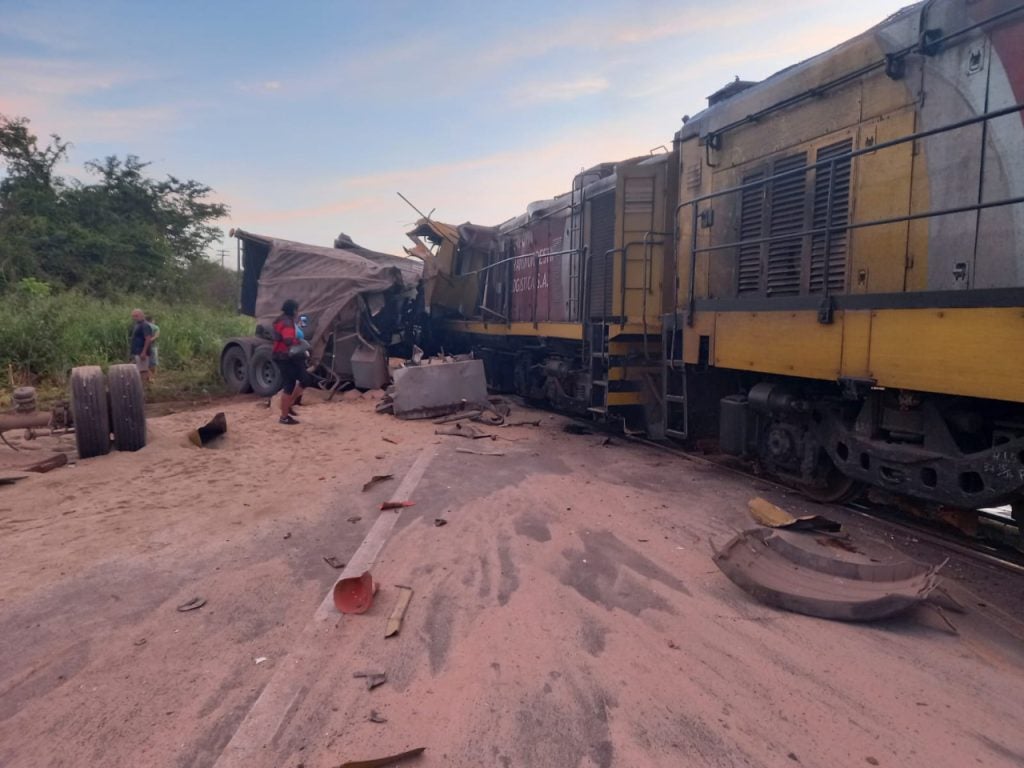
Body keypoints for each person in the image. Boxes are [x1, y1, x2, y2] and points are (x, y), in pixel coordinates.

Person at [272, 299, 309, 425]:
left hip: (286, 356)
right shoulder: (287, 322)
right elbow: (288, 340)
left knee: (304, 379)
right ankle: (284, 417)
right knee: (289, 384)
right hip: (285, 356)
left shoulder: (283, 320)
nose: (298, 312)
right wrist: (300, 343)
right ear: (293, 310)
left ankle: (288, 406)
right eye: (297, 310)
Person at [129, 308, 155, 382]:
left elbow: (148, 339)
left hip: (142, 351)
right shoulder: (137, 325)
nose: (134, 318)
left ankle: (144, 385)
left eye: (136, 316)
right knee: (138, 370)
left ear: (142, 315)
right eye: (133, 316)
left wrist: (144, 352)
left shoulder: (145, 325)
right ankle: (142, 384)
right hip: (137, 351)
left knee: (143, 371)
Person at [145, 314, 160, 380]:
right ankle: (152, 378)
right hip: (153, 346)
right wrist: (150, 340)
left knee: (145, 362)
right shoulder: (156, 327)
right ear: (152, 320)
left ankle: (148, 377)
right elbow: (156, 336)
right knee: (153, 363)